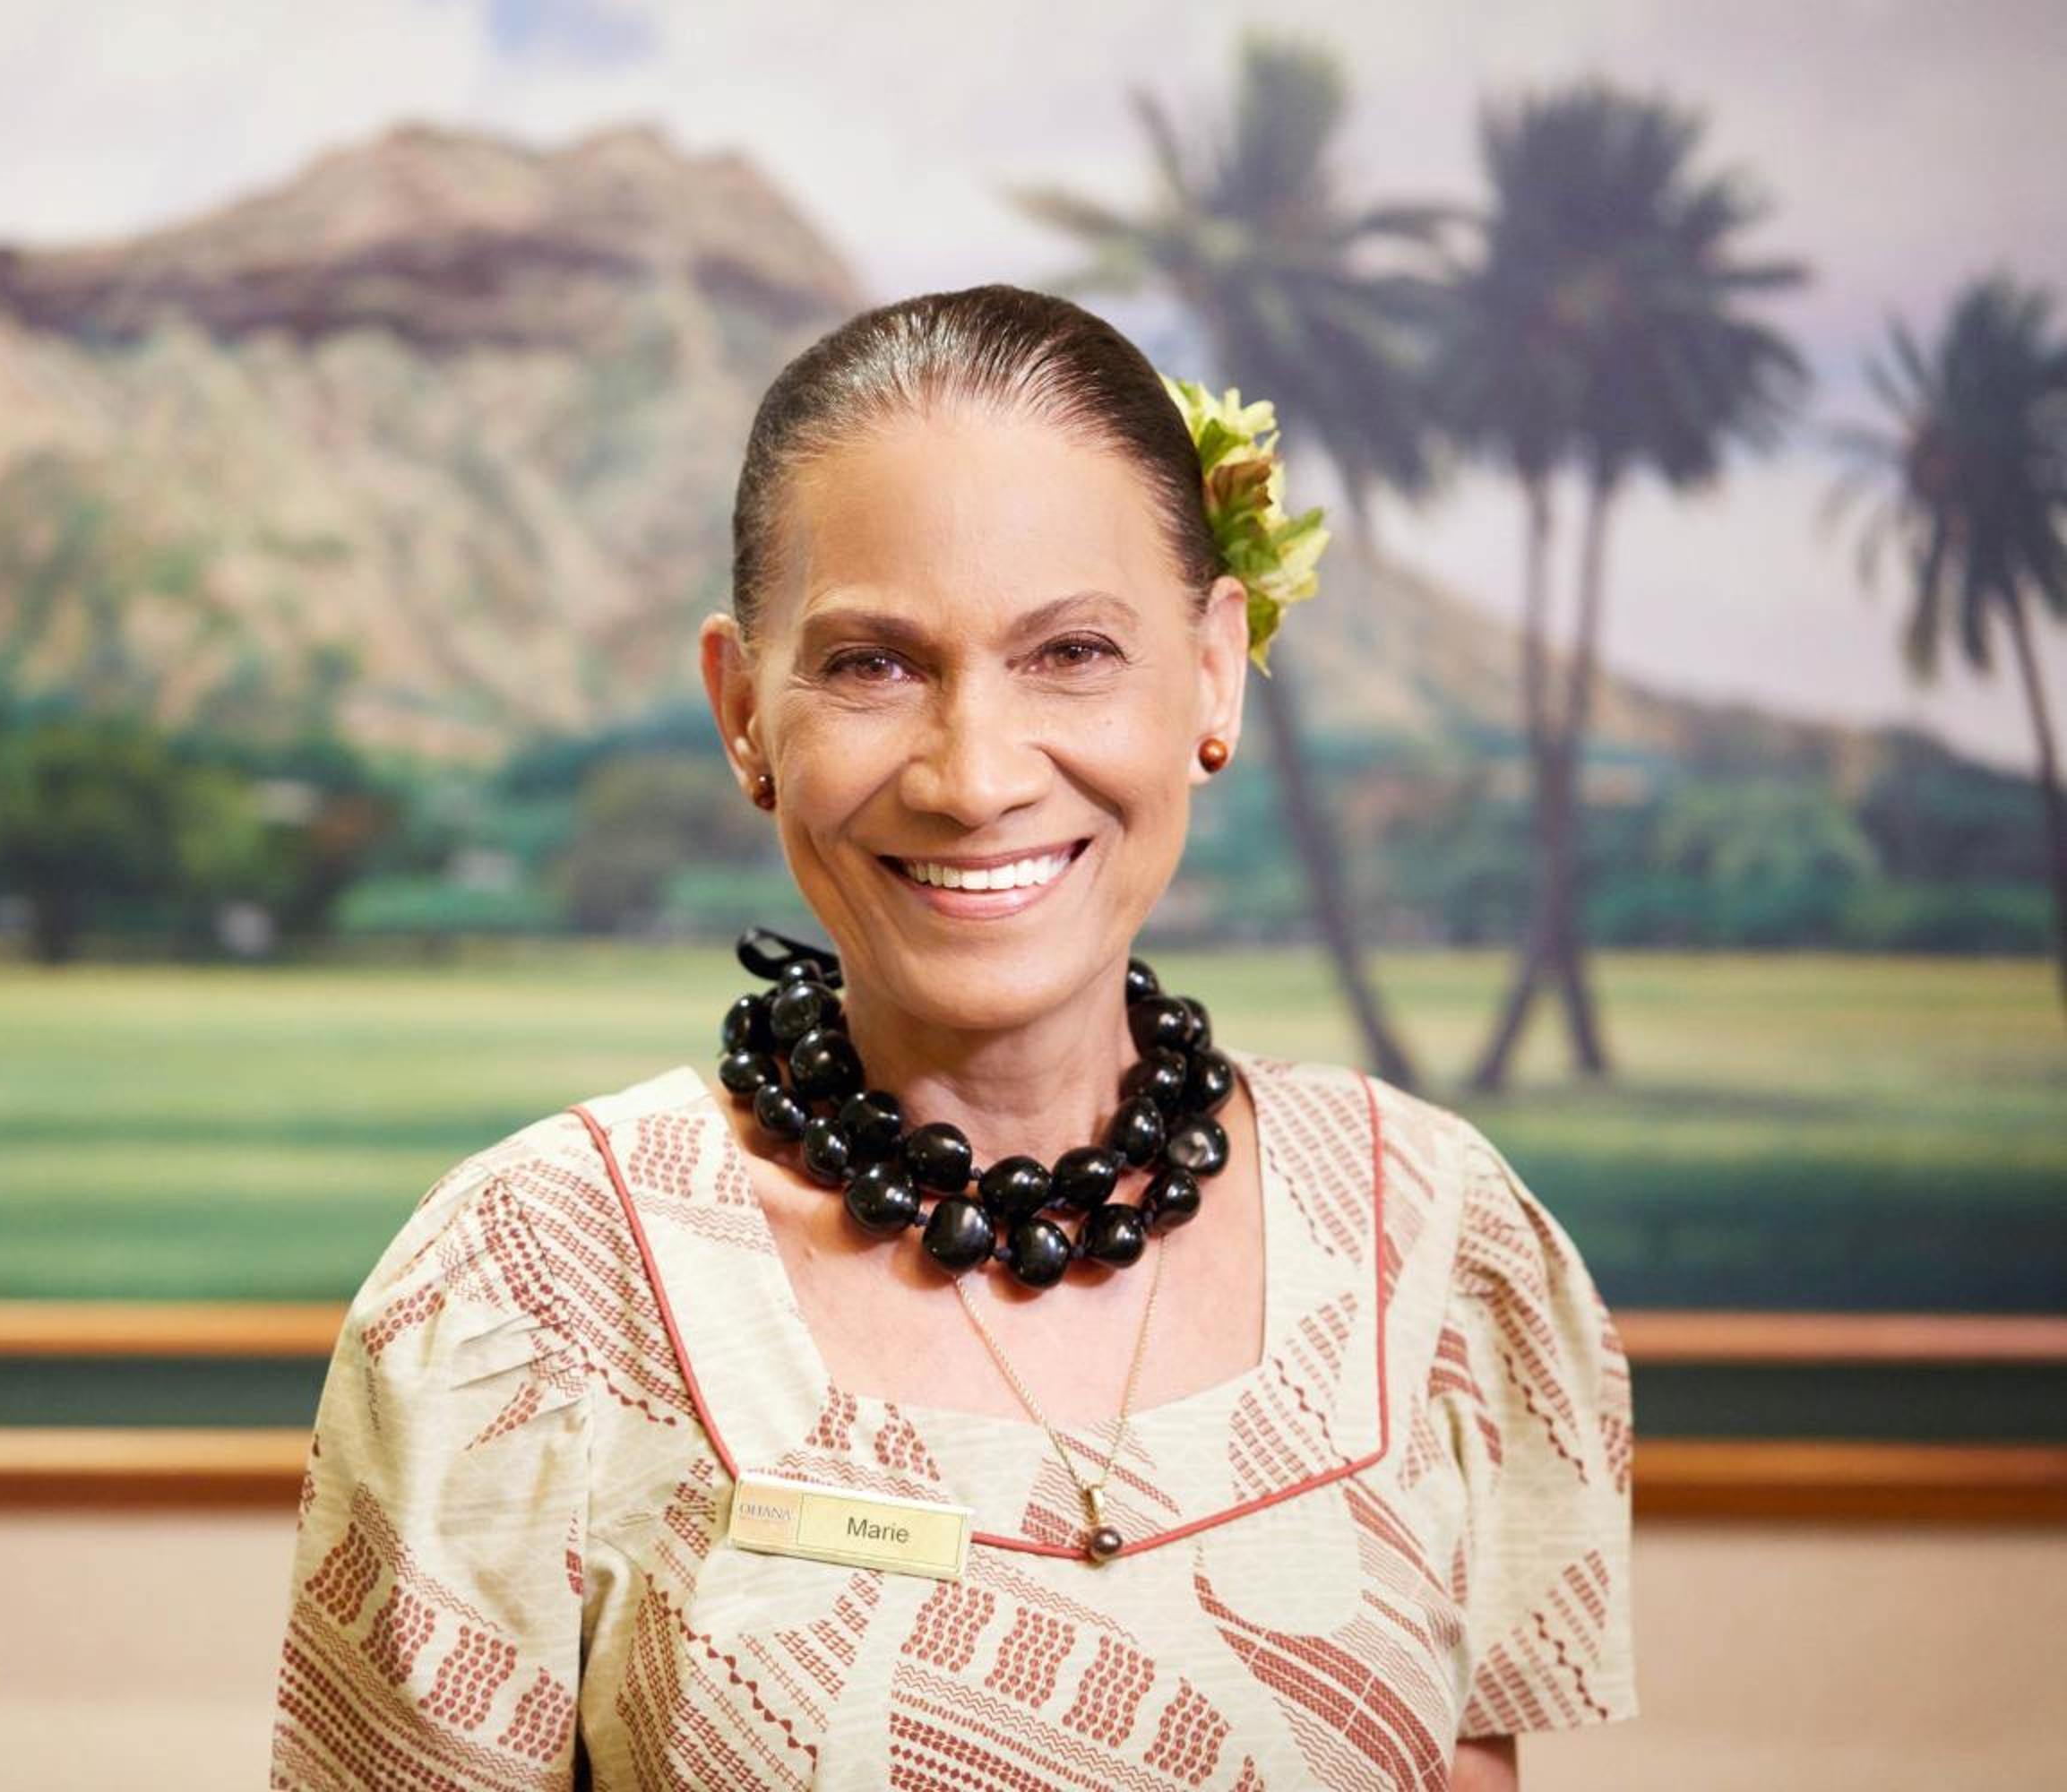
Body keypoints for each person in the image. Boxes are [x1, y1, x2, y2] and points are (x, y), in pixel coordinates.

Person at [269, 283, 1636, 1790]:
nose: (974, 778)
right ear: (742, 709)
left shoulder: (1434, 1241)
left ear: (1213, 668)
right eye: (873, 664)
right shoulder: (523, 1294)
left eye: (1072, 652)